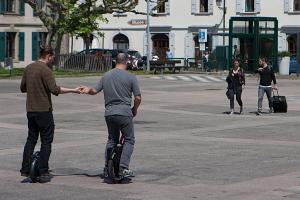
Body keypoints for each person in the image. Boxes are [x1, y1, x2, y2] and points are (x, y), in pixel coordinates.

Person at [20, 46, 81, 178]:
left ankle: (25, 169)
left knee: (31, 139)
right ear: (48, 55)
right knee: (46, 141)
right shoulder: (46, 70)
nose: (53, 58)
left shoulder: (29, 68)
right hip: (44, 111)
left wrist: (34, 87)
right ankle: (43, 169)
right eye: (53, 56)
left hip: (30, 110)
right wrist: (74, 90)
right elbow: (55, 89)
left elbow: (23, 88)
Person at [80, 53, 141, 178]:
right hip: (124, 113)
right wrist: (134, 109)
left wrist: (87, 90)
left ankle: (107, 167)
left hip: (109, 113)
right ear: (126, 61)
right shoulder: (131, 77)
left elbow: (94, 91)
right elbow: (138, 97)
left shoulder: (106, 75)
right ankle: (123, 167)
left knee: (112, 140)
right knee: (129, 140)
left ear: (115, 61)